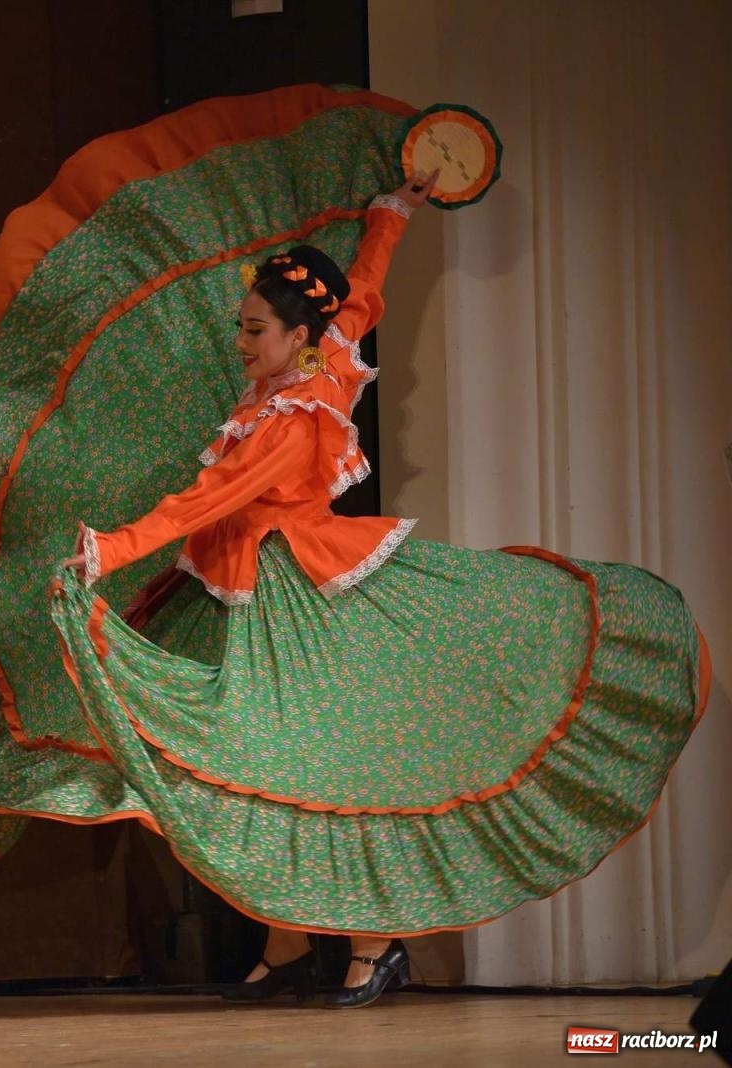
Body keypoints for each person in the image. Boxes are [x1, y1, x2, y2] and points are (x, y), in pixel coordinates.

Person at [59, 170, 707, 1007]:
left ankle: (373, 944)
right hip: (242, 594)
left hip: (299, 604)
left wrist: (108, 550)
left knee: (336, 765)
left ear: (296, 334)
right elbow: (361, 293)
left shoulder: (291, 422)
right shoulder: (321, 355)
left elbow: (201, 502)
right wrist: (394, 213)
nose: (243, 342)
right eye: (242, 326)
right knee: (282, 764)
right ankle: (290, 942)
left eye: (255, 330)